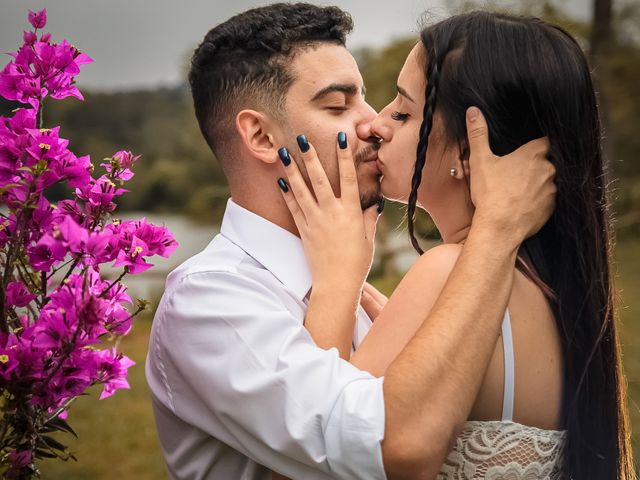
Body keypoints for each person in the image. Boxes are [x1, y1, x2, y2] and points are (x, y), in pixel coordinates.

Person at [144, 4, 555, 479]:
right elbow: (369, 449)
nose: (372, 124)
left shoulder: (368, 291)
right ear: (259, 135)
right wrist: (337, 287)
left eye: (370, 100)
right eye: (338, 105)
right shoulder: (211, 301)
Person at [278, 11, 634, 480]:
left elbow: (311, 462)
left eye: (403, 112)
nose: (376, 125)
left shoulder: (446, 273)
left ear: (469, 151)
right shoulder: (555, 293)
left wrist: (334, 284)